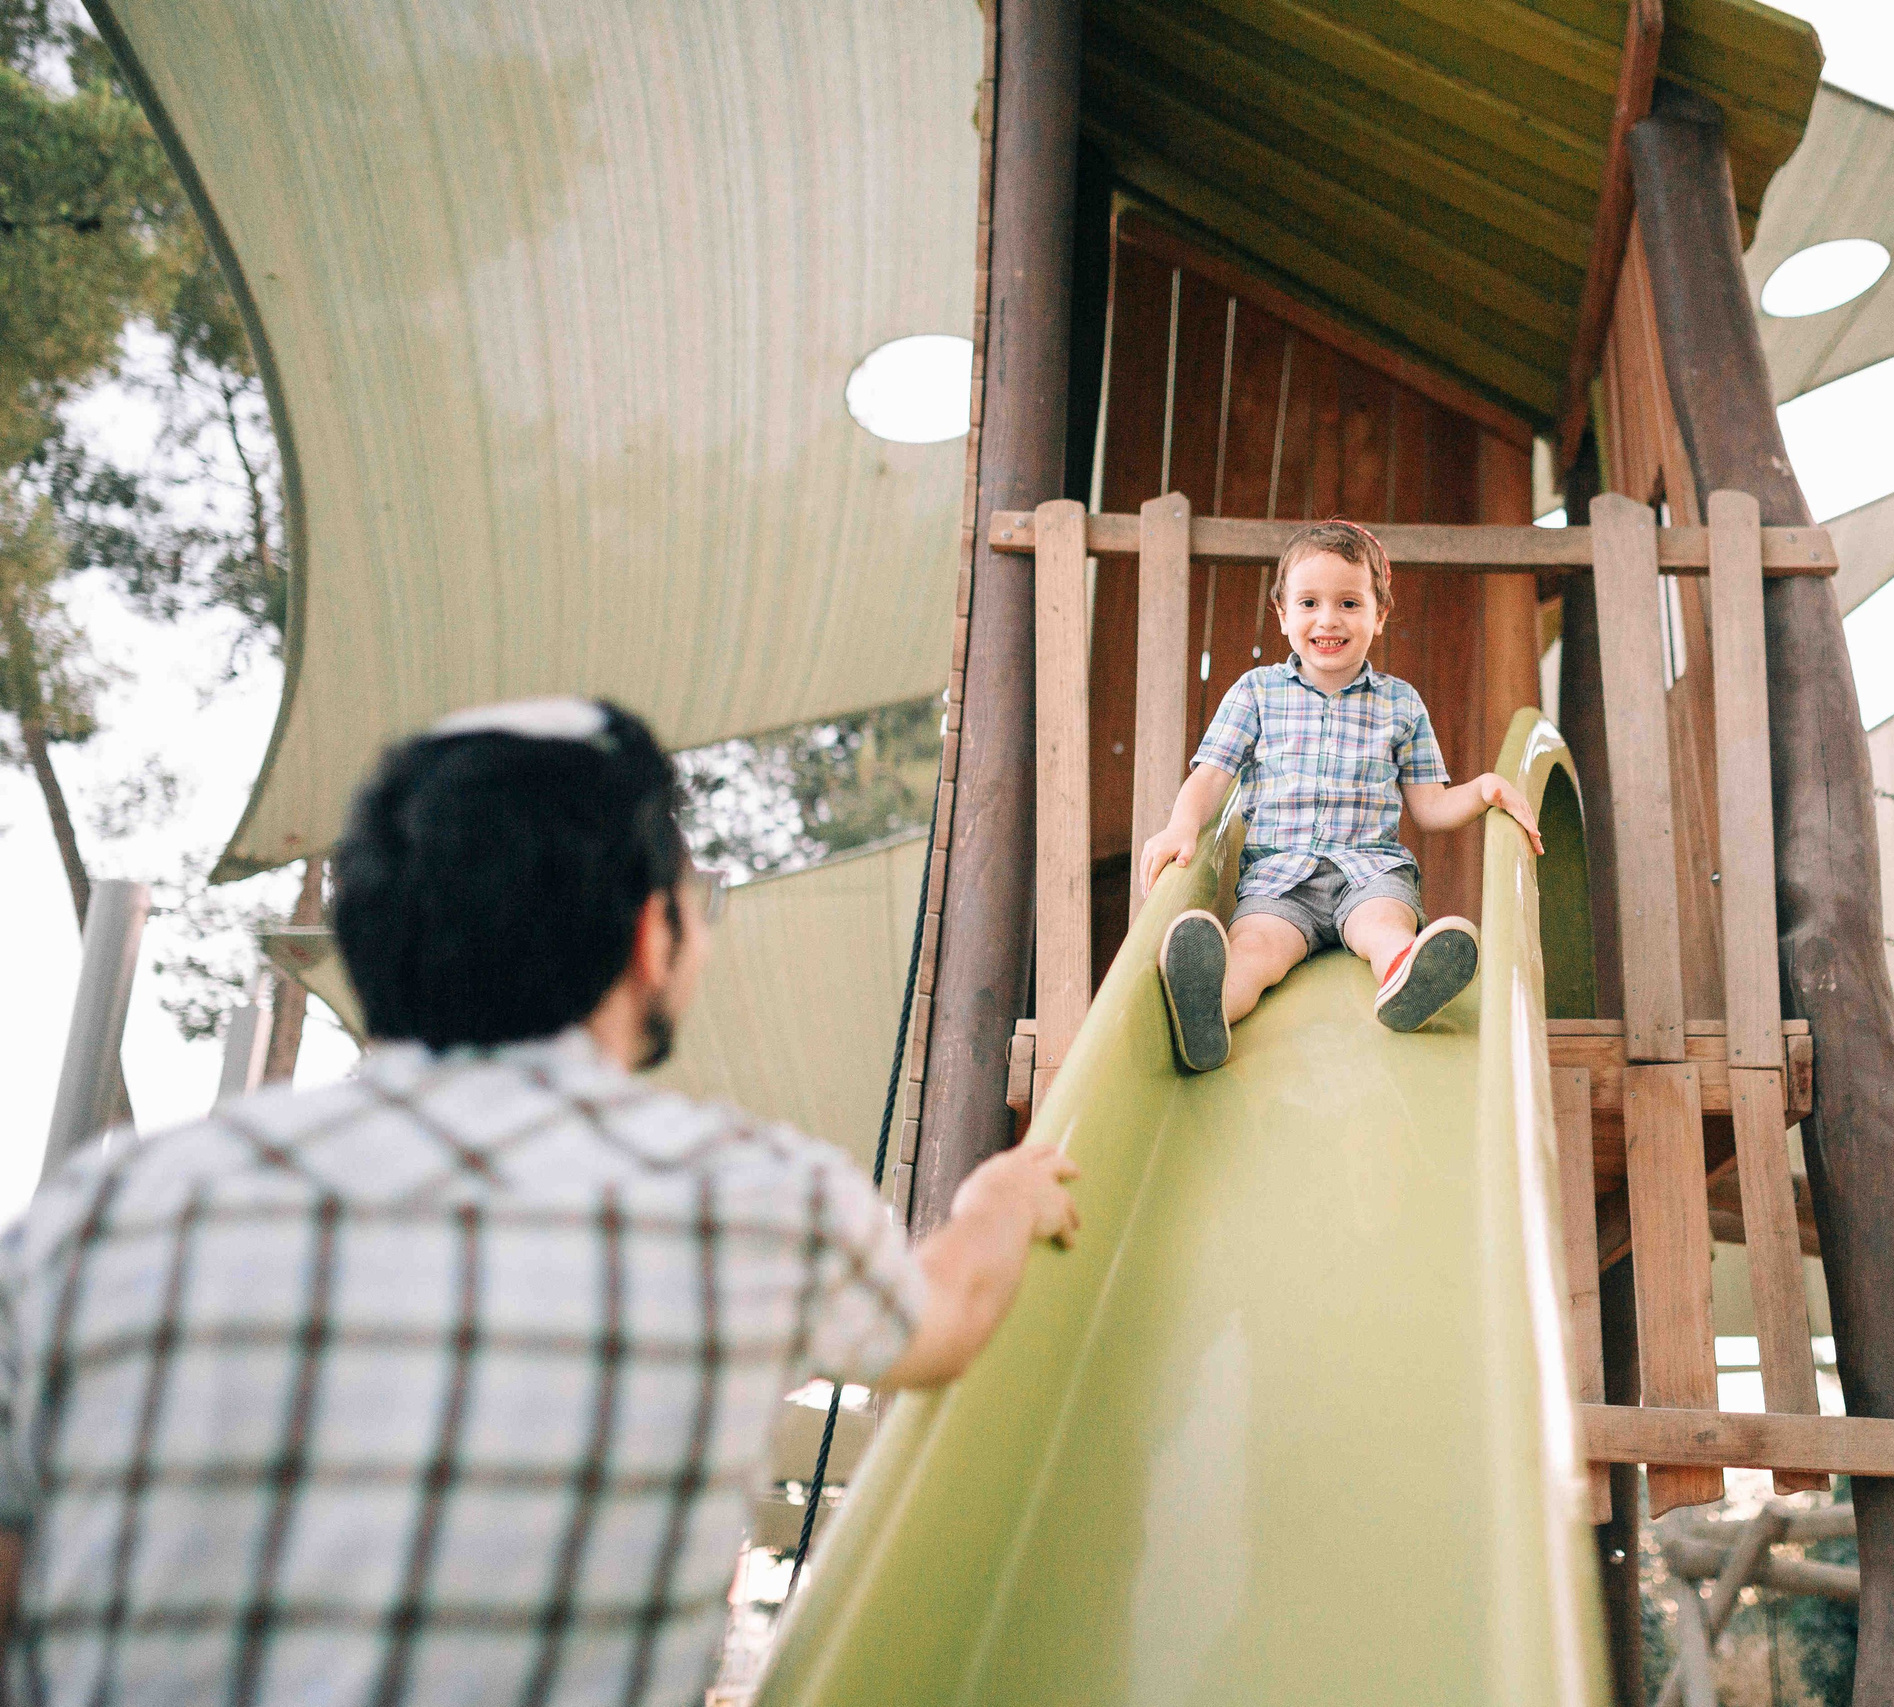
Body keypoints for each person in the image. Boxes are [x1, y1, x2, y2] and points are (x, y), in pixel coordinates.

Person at [0, 696, 1077, 1706]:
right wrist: (1003, 1194)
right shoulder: (747, 1204)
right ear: (651, 938)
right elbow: (948, 1316)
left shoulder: (104, 1213)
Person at [1136, 520, 1542, 1072]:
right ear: (1283, 614)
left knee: (1385, 928)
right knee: (1255, 949)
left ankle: (1406, 981)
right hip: (1280, 880)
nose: (1328, 619)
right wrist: (1182, 826)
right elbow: (1210, 776)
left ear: (1380, 614)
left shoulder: (1400, 703)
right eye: (1309, 603)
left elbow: (1431, 806)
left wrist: (1483, 789)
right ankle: (1211, 1010)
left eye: (1349, 603)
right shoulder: (1256, 692)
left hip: (1370, 872)